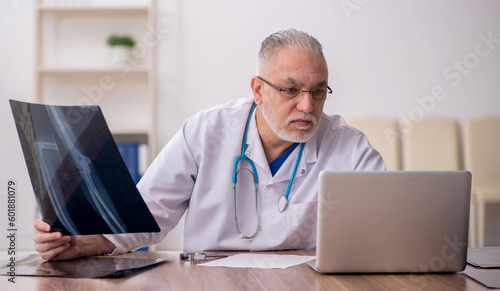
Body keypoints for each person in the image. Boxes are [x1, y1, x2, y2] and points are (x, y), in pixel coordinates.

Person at [34, 29, 385, 260]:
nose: (307, 106)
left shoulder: (349, 147)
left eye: (318, 92)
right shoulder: (207, 130)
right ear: (259, 90)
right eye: (290, 90)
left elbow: (386, 228)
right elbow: (149, 211)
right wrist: (82, 244)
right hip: (209, 278)